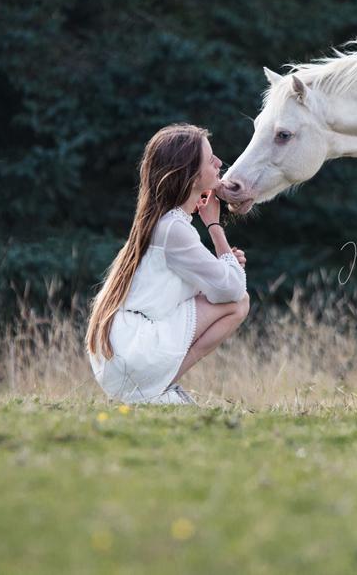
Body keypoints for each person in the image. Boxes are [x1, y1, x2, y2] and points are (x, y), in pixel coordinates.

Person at [86, 123, 250, 404]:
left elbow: (193, 288)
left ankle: (155, 388)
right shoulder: (174, 228)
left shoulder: (159, 222)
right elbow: (232, 290)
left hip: (122, 355)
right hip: (136, 353)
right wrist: (213, 226)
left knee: (228, 293)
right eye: (210, 159)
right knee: (239, 303)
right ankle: (159, 388)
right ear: (190, 174)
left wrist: (223, 265)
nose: (219, 163)